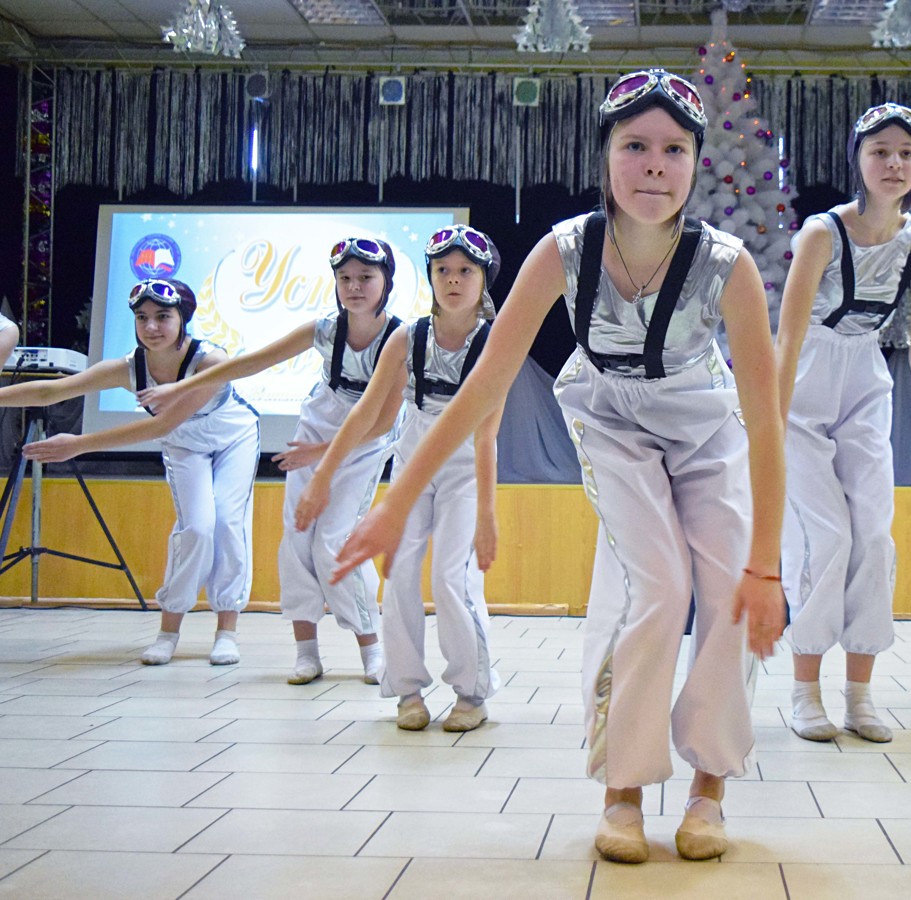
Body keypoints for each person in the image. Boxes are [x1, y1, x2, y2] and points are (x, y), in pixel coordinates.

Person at [330, 69, 785, 865]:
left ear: (696, 162)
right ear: (604, 155)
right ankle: (623, 788)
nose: (654, 164)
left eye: (674, 149)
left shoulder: (727, 264)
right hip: (611, 422)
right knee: (657, 586)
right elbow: (482, 388)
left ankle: (709, 787)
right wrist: (397, 502)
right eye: (634, 145)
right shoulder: (564, 251)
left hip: (706, 425)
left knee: (729, 590)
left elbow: (768, 423)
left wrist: (768, 566)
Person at [774, 103, 911, 743]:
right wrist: (768, 429)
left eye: (906, 153)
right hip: (805, 382)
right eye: (880, 152)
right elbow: (787, 339)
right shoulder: (821, 233)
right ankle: (805, 689)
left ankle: (860, 694)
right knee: (825, 539)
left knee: (873, 536)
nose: (894, 164)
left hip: (866, 379)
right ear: (858, 160)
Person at [140, 240, 405, 685]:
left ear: (386, 282)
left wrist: (320, 454)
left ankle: (371, 649)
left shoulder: (401, 337)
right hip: (317, 427)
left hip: (362, 445)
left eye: (366, 277)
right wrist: (179, 387)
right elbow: (253, 362)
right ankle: (307, 653)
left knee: (334, 541)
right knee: (298, 536)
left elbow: (380, 424)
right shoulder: (325, 329)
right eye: (345, 278)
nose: (354, 287)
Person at [295, 225, 504, 732]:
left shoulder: (496, 341)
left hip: (465, 466)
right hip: (413, 460)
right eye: (442, 270)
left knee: (452, 577)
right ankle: (407, 690)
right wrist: (322, 475)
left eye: (466, 271)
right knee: (400, 570)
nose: (452, 280)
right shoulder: (408, 337)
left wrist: (487, 514)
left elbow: (486, 434)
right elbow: (365, 413)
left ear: (484, 279)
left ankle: (472, 693)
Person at [7, 279, 259, 666]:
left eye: (163, 317)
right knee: (196, 528)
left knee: (227, 522)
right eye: (142, 318)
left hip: (233, 438)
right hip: (184, 444)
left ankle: (227, 631)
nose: (151, 326)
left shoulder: (210, 361)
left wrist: (79, 443)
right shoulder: (129, 368)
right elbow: (50, 392)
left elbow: (162, 424)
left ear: (183, 319)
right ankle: (168, 631)